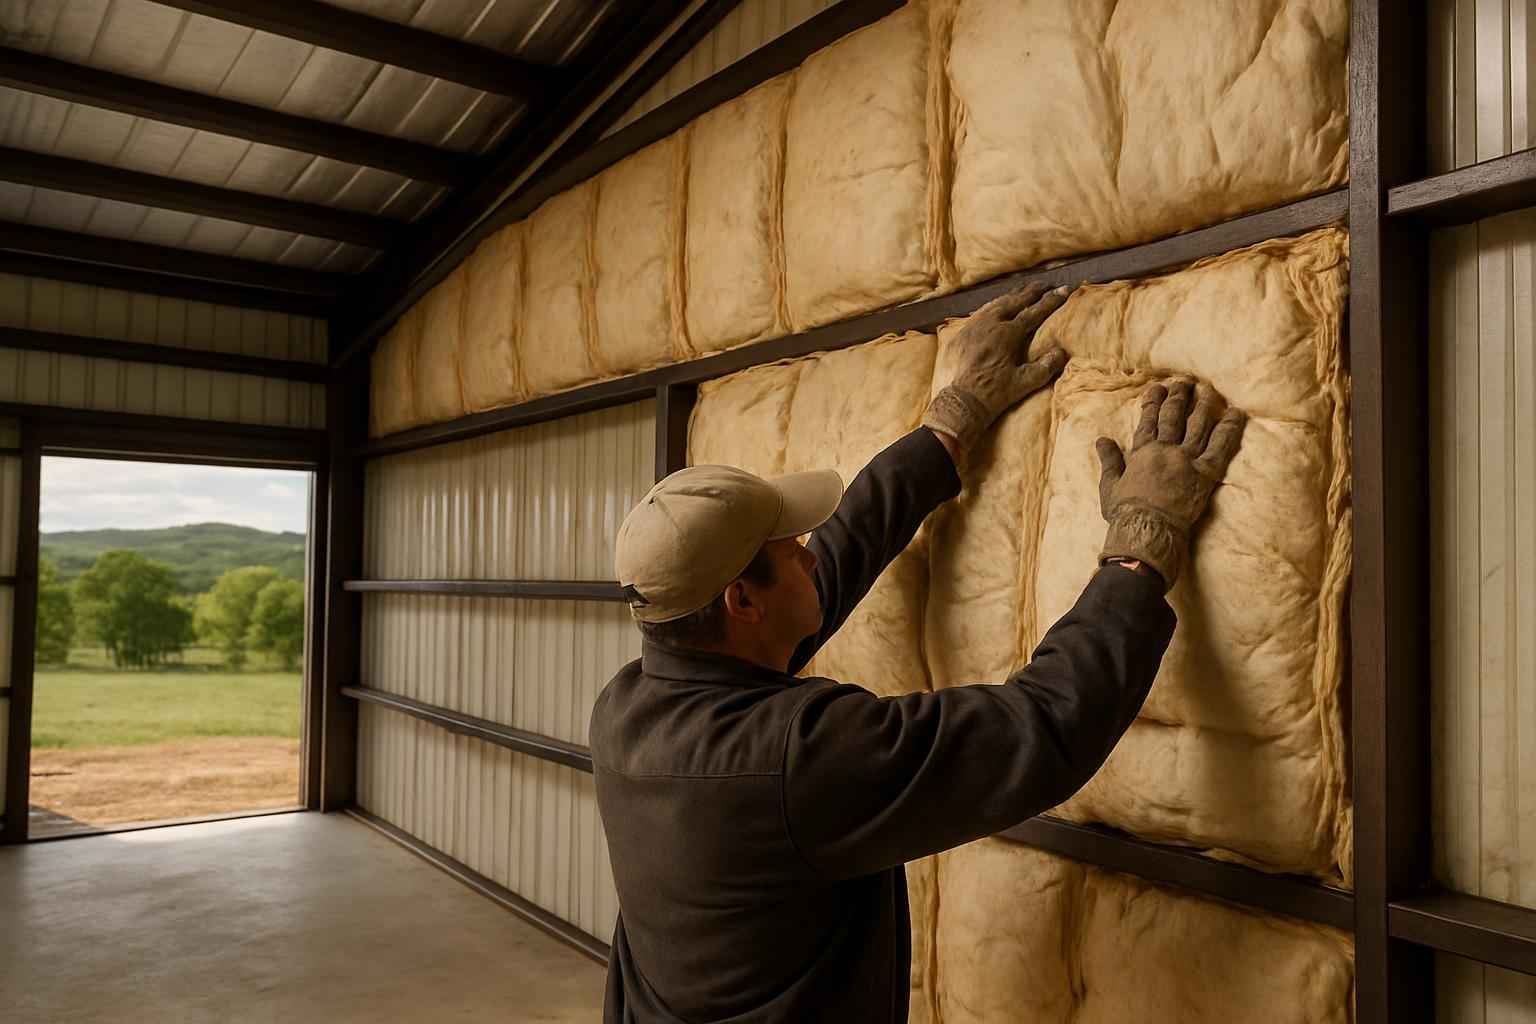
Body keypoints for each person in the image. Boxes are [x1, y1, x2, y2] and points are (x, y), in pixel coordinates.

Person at [590, 283, 1247, 1023]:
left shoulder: (628, 704)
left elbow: (830, 567)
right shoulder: (795, 761)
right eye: (789, 549)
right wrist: (1140, 547)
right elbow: (1043, 727)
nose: (811, 556)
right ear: (742, 601)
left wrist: (951, 425)